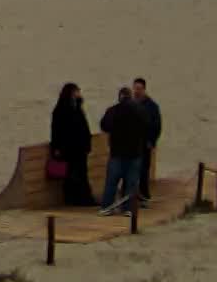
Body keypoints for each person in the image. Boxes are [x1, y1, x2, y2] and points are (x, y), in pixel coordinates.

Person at [98, 86, 147, 215]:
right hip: (134, 152)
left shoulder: (112, 110)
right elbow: (146, 127)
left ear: (120, 97)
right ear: (130, 96)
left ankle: (107, 207)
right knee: (131, 183)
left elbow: (104, 126)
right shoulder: (140, 110)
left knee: (111, 182)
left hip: (117, 152)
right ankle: (128, 209)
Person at [49, 83, 96, 206]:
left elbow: (84, 127)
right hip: (68, 148)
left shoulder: (77, 108)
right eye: (77, 91)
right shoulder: (61, 109)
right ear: (71, 93)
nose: (79, 93)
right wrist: (56, 147)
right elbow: (56, 130)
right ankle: (72, 199)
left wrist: (87, 144)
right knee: (71, 175)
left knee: (81, 173)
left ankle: (84, 198)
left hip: (79, 148)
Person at [132, 77, 162, 202]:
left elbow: (157, 125)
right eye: (135, 89)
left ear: (144, 89)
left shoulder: (152, 106)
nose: (136, 91)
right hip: (132, 143)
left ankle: (144, 195)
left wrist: (152, 141)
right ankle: (131, 195)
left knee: (144, 171)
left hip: (145, 144)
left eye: (139, 89)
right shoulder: (131, 104)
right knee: (131, 170)